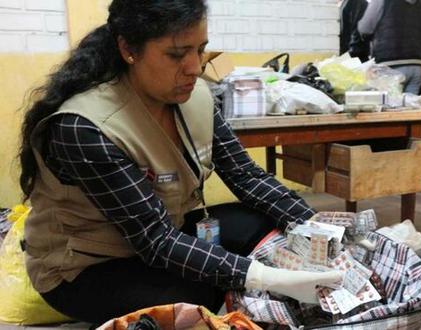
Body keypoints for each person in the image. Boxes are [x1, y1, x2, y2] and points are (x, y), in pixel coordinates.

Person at [18, 0, 342, 325]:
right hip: (88, 267)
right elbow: (155, 240)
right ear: (129, 50)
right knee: (198, 297)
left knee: (258, 222)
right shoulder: (84, 127)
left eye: (200, 50)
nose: (195, 67)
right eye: (176, 55)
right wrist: (266, 278)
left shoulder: (195, 97)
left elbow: (246, 176)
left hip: (159, 234)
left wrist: (322, 231)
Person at [358, 0, 421, 94]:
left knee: (390, 105)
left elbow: (365, 28)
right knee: (411, 105)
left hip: (389, 66)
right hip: (416, 66)